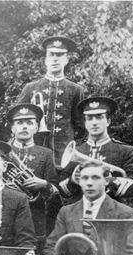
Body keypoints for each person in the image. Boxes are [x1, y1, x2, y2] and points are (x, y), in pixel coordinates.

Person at [6, 103, 60, 255]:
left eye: (29, 123)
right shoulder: (3, 152)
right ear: (12, 127)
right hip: (6, 221)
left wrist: (44, 184)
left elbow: (56, 192)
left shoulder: (45, 154)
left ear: (36, 126)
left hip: (35, 220)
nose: (24, 127)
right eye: (19, 123)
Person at [59, 97, 133, 204]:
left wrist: (109, 181)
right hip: (80, 214)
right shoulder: (76, 151)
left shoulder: (125, 151)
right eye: (90, 118)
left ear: (108, 121)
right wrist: (73, 180)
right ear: (85, 123)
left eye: (99, 117)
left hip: (112, 214)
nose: (94, 123)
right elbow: (61, 190)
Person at [16, 36, 85, 167]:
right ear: (45, 60)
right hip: (33, 153)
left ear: (67, 60)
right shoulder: (31, 88)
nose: (55, 58)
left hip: (63, 157)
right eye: (51, 54)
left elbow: (80, 128)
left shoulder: (76, 90)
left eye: (59, 55)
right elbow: (16, 121)